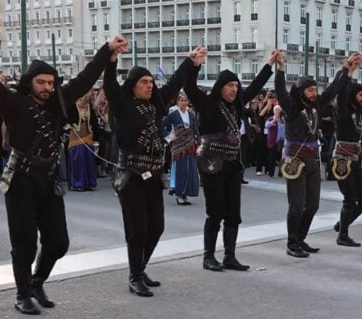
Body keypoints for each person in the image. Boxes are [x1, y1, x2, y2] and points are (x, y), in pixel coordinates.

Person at [0, 29, 126, 314]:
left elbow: (85, 78)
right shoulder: (13, 103)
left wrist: (107, 50)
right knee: (23, 243)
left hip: (49, 178)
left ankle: (37, 281)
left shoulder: (60, 100)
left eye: (50, 82)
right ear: (29, 82)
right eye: (41, 82)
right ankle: (22, 294)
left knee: (58, 242)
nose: (47, 86)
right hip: (21, 178)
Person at [105, 45, 197, 296]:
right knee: (138, 228)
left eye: (150, 82)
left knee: (156, 227)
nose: (149, 85)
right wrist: (111, 59)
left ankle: (141, 267)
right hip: (131, 174)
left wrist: (190, 61)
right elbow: (110, 86)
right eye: (144, 82)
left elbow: (176, 81)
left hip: (154, 175)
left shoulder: (156, 103)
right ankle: (135, 276)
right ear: (133, 84)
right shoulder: (123, 105)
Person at [184, 49, 278, 271]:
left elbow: (255, 86)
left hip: (233, 164)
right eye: (230, 86)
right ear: (220, 87)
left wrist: (269, 64)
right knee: (215, 212)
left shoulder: (236, 105)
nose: (234, 90)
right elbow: (189, 87)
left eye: (236, 86)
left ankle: (230, 255)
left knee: (233, 213)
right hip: (211, 163)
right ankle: (208, 256)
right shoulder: (207, 103)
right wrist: (194, 65)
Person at [276, 51, 353, 257]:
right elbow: (280, 92)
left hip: (313, 159)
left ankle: (300, 239)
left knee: (313, 204)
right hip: (295, 159)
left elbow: (333, 90)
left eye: (314, 90)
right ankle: (292, 243)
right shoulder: (292, 107)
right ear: (301, 91)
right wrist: (280, 70)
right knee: (297, 204)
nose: (314, 93)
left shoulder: (317, 104)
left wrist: (346, 69)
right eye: (310, 90)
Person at [330, 62, 362, 247]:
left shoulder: (360, 112)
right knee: (350, 198)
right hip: (342, 159)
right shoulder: (343, 111)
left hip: (356, 159)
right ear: (352, 96)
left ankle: (342, 225)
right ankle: (343, 235)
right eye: (360, 95)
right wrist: (349, 72)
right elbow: (342, 94)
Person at [162, 92, 199, 205]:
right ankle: (179, 194)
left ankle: (186, 193)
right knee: (180, 170)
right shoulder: (173, 114)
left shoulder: (191, 115)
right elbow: (162, 124)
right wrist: (169, 136)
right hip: (179, 146)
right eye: (181, 100)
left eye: (185, 100)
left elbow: (196, 130)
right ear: (178, 102)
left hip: (190, 146)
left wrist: (199, 141)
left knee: (190, 169)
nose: (184, 103)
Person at [66, 92, 98, 191]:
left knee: (89, 160)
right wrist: (68, 127)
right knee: (78, 159)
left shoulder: (89, 109)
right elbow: (65, 119)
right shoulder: (72, 107)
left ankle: (89, 183)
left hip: (88, 137)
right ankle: (77, 183)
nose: (84, 102)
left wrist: (97, 139)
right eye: (82, 99)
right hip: (76, 137)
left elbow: (94, 123)